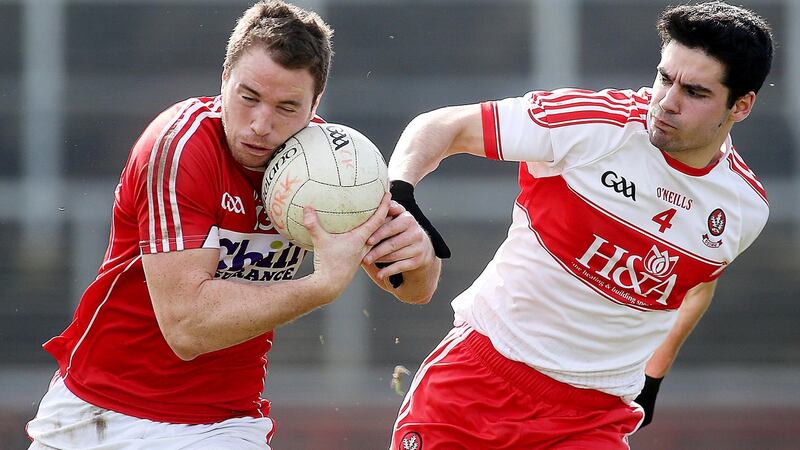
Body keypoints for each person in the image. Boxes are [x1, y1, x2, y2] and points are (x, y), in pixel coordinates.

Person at [25, 1, 441, 449]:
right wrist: (321, 286)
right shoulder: (179, 147)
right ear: (224, 79)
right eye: (248, 97)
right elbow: (187, 327)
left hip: (223, 424)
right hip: (100, 413)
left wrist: (418, 255)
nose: (261, 125)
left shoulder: (335, 164)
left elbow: (415, 289)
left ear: (315, 103)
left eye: (287, 107)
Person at [387, 2, 774, 449]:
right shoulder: (591, 124)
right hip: (475, 384)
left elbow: (695, 285)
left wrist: (654, 375)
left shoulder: (745, 209)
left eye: (695, 92)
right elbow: (442, 125)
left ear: (741, 105)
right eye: (665, 78)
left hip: (590, 422)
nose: (666, 102)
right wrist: (402, 194)